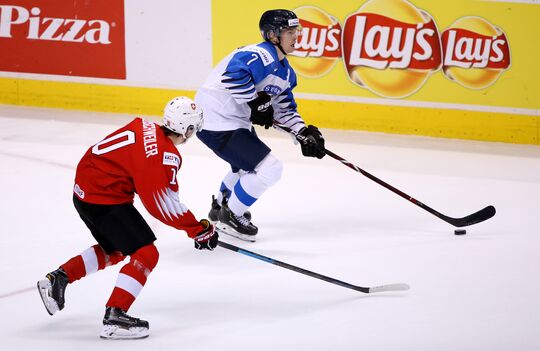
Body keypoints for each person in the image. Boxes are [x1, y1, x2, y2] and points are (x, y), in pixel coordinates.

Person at [37, 96, 218, 340]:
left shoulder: (144, 126)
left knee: (116, 249)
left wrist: (195, 228)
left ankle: (57, 279)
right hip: (103, 197)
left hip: (85, 189)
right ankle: (115, 316)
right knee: (147, 254)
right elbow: (163, 206)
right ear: (187, 129)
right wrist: (198, 230)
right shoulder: (164, 154)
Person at [195, 9, 326, 242]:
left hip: (232, 122)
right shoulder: (259, 54)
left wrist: (303, 132)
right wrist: (256, 102)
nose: (296, 36)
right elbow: (233, 76)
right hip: (218, 119)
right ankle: (231, 214)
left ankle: (220, 207)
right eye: (289, 31)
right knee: (270, 168)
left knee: (245, 167)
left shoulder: (286, 73)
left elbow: (283, 110)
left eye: (297, 30)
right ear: (273, 35)